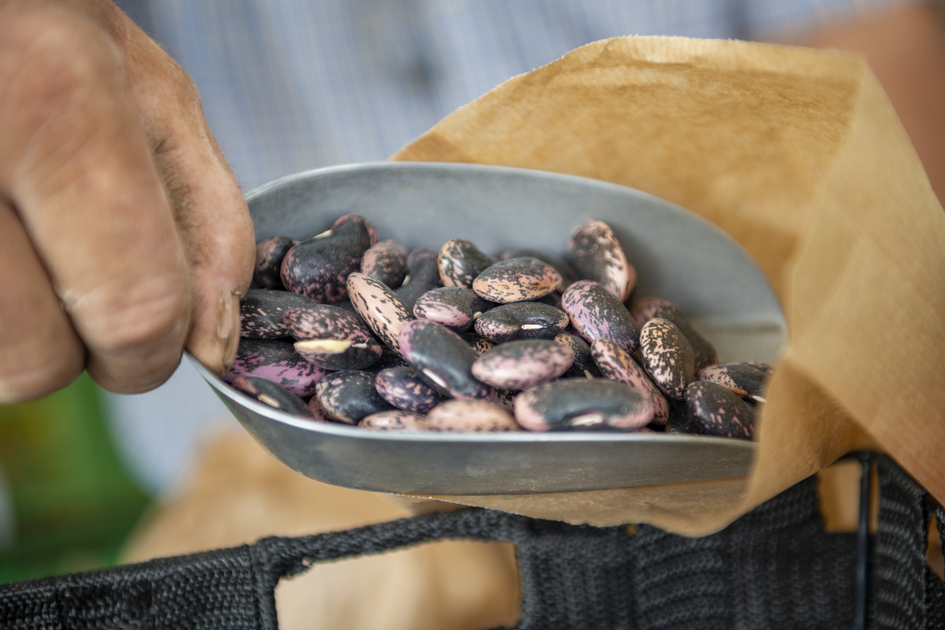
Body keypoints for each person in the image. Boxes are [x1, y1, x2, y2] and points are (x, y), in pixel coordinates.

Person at [0, 2, 943, 624]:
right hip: (272, 519)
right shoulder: (364, 319)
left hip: (772, 484)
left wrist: (887, 334)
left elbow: (874, 67)